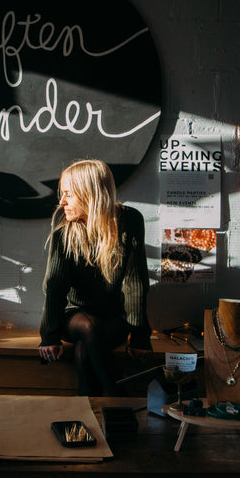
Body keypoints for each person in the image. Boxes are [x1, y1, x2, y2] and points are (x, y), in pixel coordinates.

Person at [37, 159, 152, 395]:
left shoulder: (129, 220)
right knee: (88, 326)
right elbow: (56, 286)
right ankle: (119, 402)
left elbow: (135, 282)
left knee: (83, 351)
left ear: (89, 194)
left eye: (68, 194)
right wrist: (49, 336)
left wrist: (140, 337)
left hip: (113, 319)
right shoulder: (64, 226)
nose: (62, 202)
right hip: (73, 317)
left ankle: (87, 416)